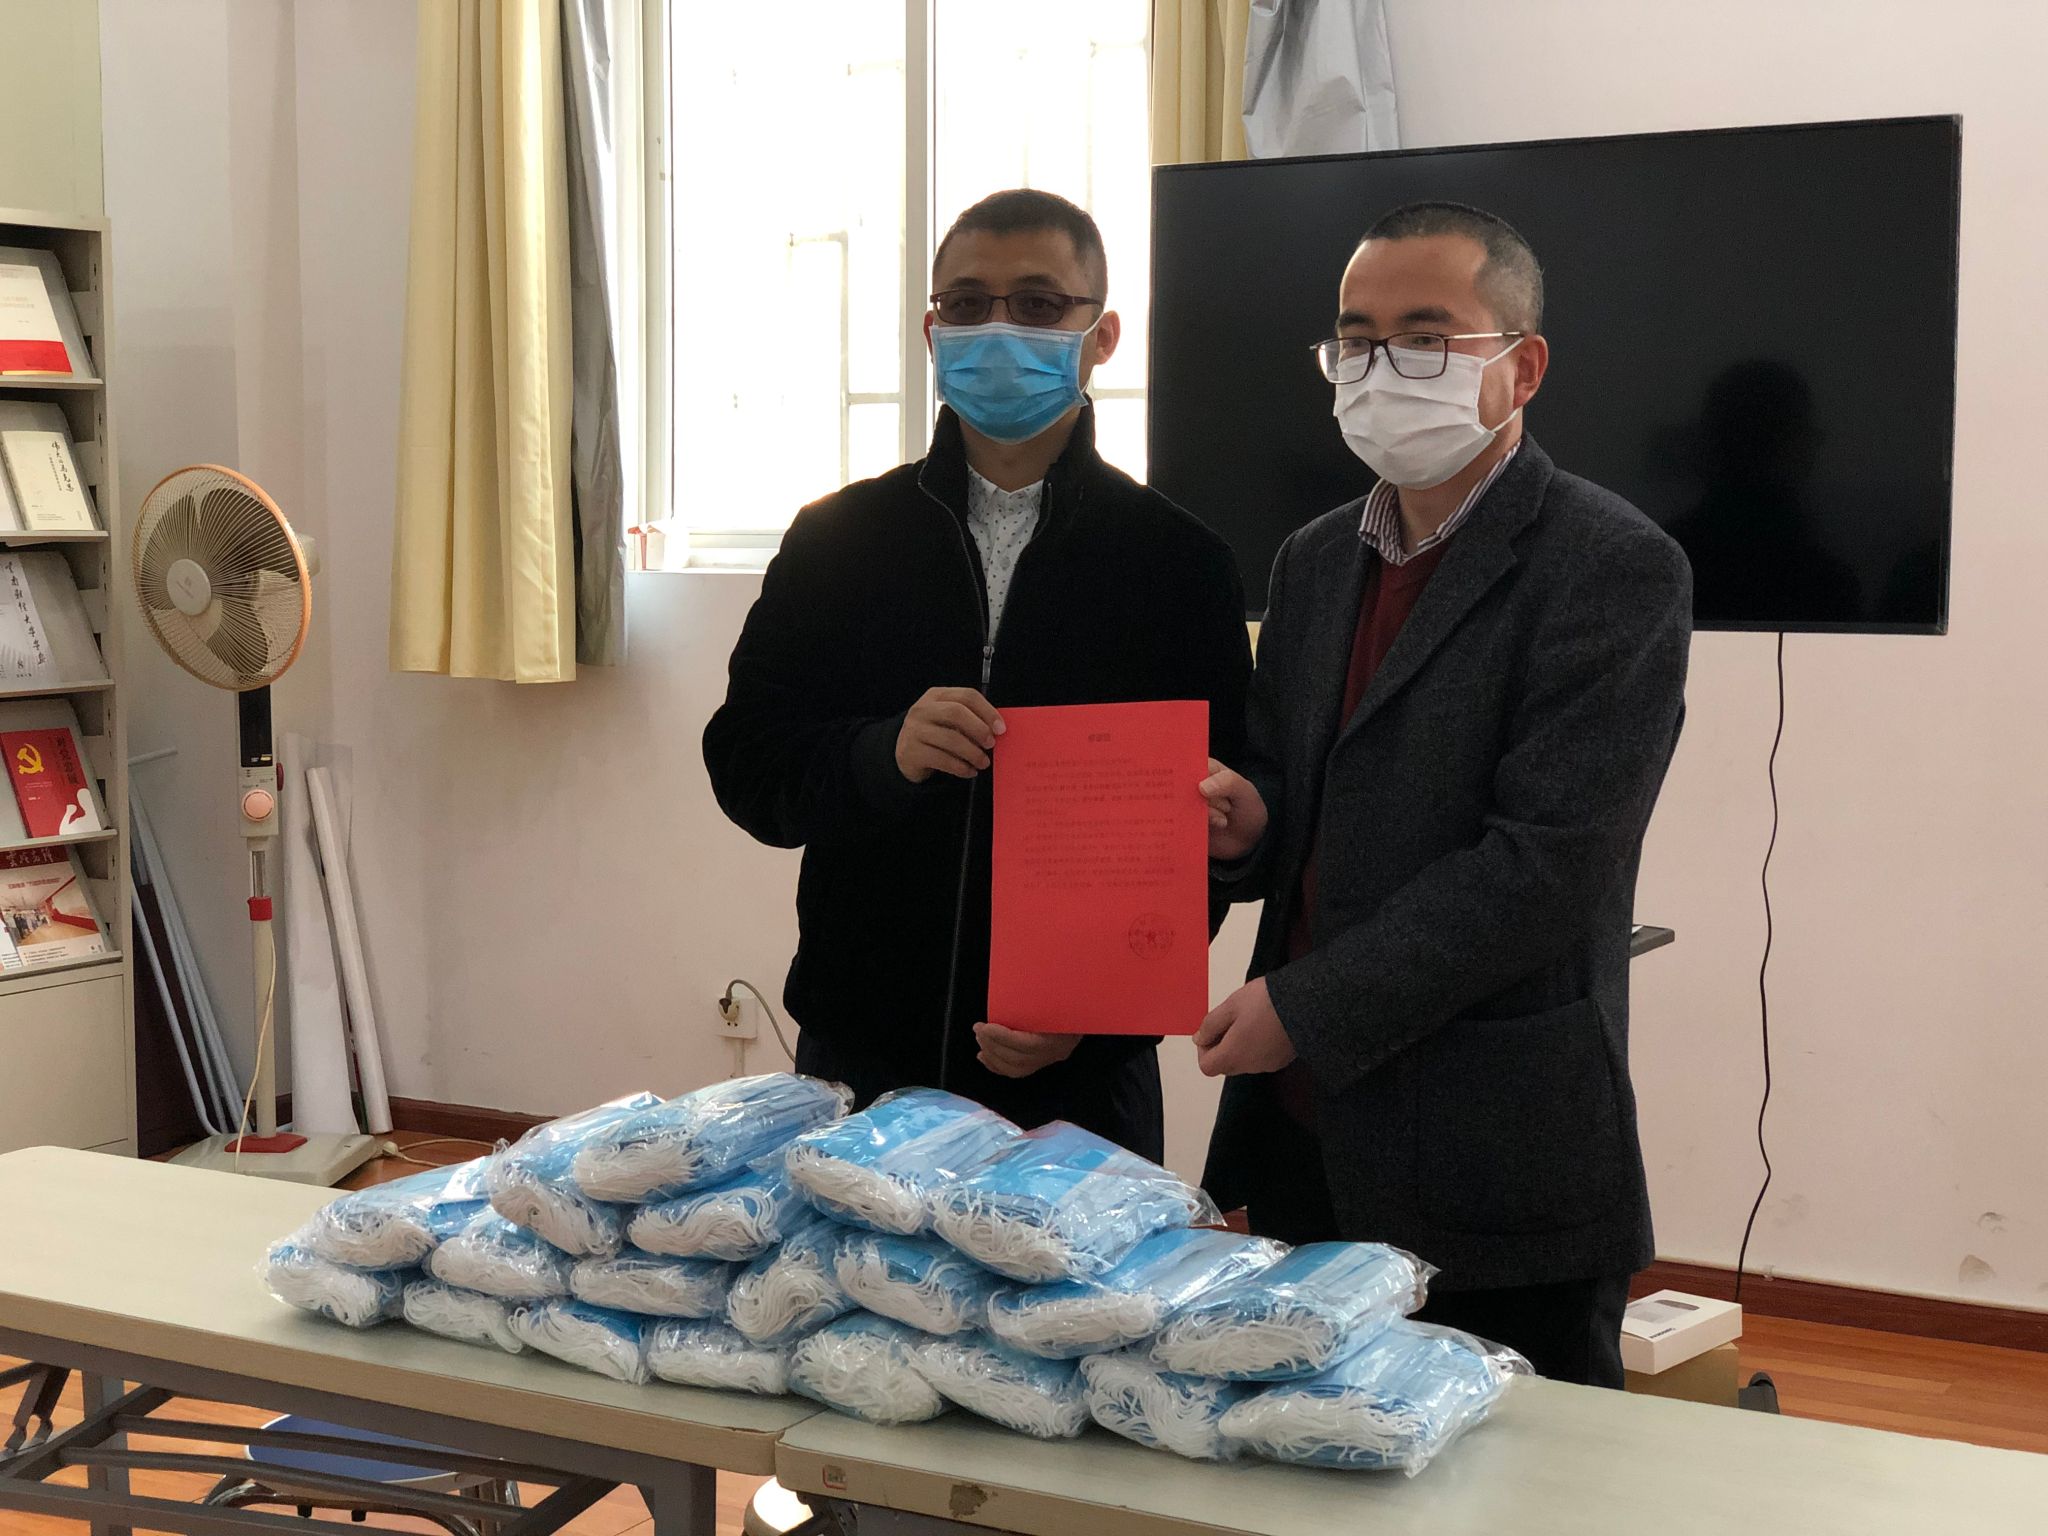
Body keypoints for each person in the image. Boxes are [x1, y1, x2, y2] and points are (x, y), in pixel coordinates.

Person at [1195, 202, 1692, 1386]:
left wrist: (1305, 1006)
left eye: (1424, 338)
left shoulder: (1612, 566)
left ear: (1521, 367)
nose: (1380, 370)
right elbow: (1291, 786)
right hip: (1303, 1134)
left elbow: (1544, 868)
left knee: (1523, 1471)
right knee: (1300, 1444)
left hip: (1494, 1150)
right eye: (1354, 339)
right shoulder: (1314, 558)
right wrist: (1249, 823)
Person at [704, 188, 1251, 1161]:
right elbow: (747, 765)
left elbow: (1213, 832)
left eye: (1037, 304)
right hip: (860, 1059)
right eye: (965, 304)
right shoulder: (835, 540)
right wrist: (880, 754)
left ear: (1102, 336)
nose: (997, 329)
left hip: (1080, 1087)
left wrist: (1098, 1015)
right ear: (931, 332)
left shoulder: (1181, 563)